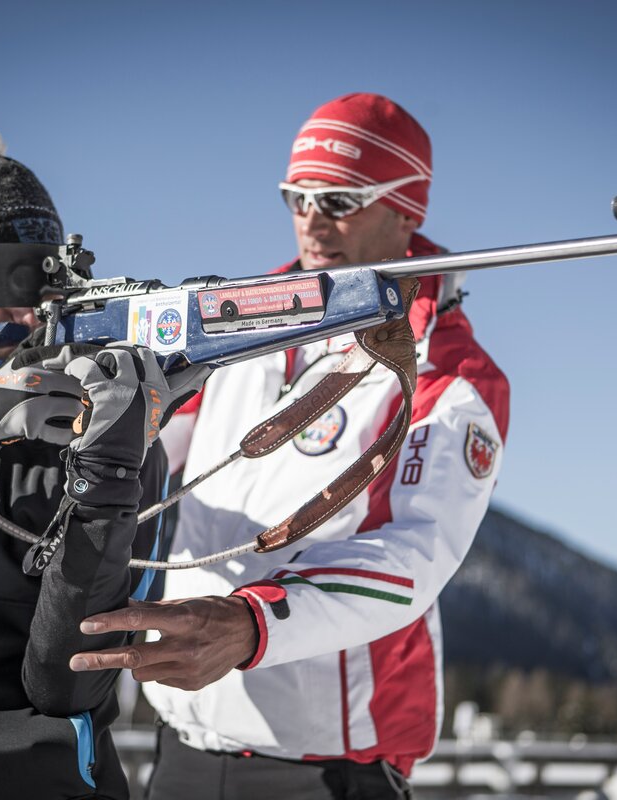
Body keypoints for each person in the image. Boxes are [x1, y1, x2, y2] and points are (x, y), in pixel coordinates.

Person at [70, 93, 511, 799]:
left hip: (322, 773)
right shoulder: (236, 323)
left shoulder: (449, 373)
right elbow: (149, 452)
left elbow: (413, 556)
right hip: (181, 749)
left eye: (339, 199)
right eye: (296, 198)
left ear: (406, 210)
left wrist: (251, 624)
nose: (312, 220)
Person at [0, 119, 173, 800]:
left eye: (48, 282)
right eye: (5, 281)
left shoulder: (102, 430)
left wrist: (109, 478)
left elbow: (67, 683)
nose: (31, 313)